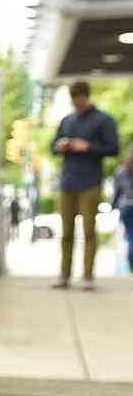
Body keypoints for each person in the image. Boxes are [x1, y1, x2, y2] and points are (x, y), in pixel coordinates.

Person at [51, 79, 119, 290]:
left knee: (89, 230)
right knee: (66, 231)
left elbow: (113, 149)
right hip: (68, 181)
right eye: (73, 100)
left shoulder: (104, 120)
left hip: (90, 181)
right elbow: (52, 146)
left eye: (79, 99)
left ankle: (88, 276)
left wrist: (88, 146)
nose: (77, 104)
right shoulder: (67, 120)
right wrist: (60, 145)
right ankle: (64, 275)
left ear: (86, 97)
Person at [111, 144, 133, 274]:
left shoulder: (121, 170)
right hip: (126, 206)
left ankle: (131, 268)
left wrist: (113, 207)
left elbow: (117, 192)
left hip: (126, 206)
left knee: (130, 236)